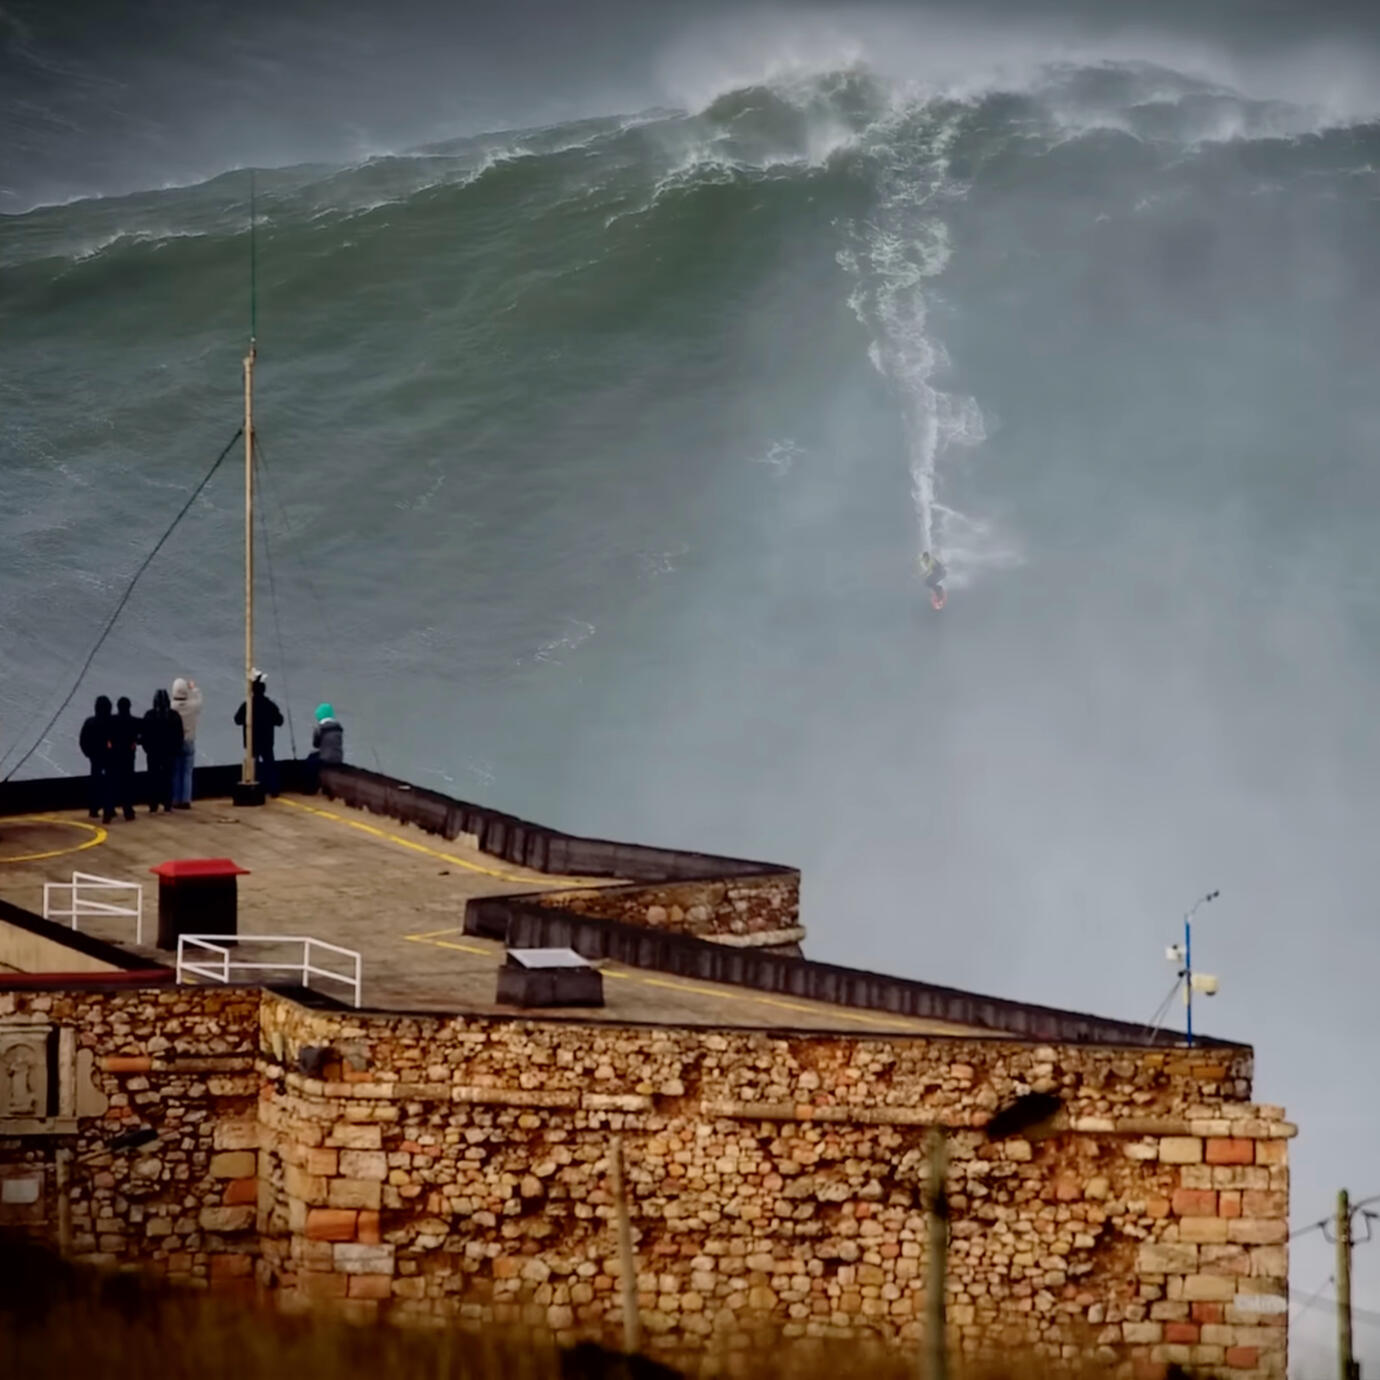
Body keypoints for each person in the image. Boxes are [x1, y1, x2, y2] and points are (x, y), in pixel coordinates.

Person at [234, 670, 284, 797]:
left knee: (253, 766)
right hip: (267, 741)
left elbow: (237, 720)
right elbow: (279, 721)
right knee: (269, 764)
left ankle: (255, 789)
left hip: (252, 741)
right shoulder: (270, 705)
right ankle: (273, 790)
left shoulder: (247, 705)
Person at [141, 688, 183, 814]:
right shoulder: (174, 716)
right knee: (168, 779)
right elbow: (179, 736)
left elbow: (144, 735)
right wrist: (175, 750)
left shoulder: (149, 715)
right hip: (169, 753)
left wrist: (147, 749)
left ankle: (153, 804)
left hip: (153, 753)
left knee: (153, 779)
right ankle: (167, 804)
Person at [78, 696, 115, 823]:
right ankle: (109, 810)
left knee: (95, 783)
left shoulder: (90, 722)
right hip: (110, 759)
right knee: (110, 784)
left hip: (95, 758)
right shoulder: (113, 723)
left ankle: (94, 809)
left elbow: (83, 741)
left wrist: (89, 755)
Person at [170, 676, 203, 809]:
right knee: (187, 772)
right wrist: (194, 688)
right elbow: (200, 700)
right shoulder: (193, 705)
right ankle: (186, 799)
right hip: (189, 740)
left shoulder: (171, 707)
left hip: (175, 741)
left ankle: (176, 799)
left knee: (176, 771)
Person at [109, 696, 141, 822]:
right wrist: (135, 741)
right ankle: (128, 811)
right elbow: (142, 733)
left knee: (113, 783)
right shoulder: (134, 721)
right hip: (128, 757)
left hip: (114, 757)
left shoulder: (112, 720)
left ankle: (110, 809)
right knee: (127, 785)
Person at [305, 702, 344, 793]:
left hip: (325, 758)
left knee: (310, 760)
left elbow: (316, 745)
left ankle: (311, 788)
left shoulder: (319, 728)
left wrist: (315, 732)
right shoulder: (339, 727)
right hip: (338, 757)